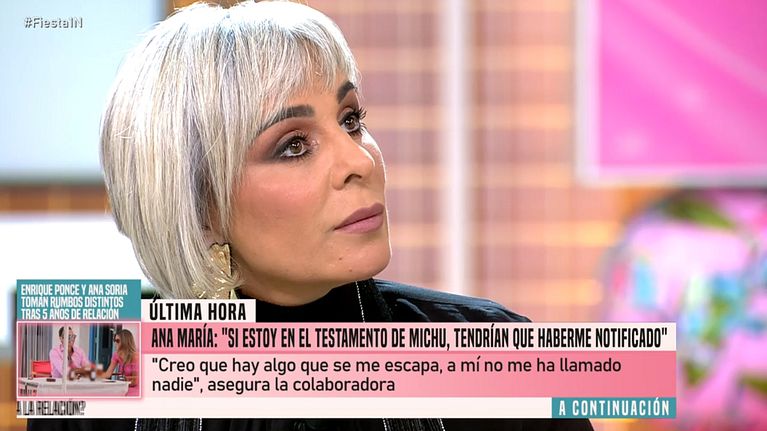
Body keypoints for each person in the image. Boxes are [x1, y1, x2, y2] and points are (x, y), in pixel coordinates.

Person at [30, 1, 592, 430]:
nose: (360, 160)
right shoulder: (81, 368)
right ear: (200, 209)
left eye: (351, 119)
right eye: (293, 145)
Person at [99, 329, 139, 396]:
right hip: (123, 387)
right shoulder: (116, 355)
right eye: (114, 340)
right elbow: (108, 374)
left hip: (134, 389)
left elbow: (135, 381)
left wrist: (119, 384)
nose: (115, 343)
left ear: (125, 342)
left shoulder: (135, 356)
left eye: (117, 341)